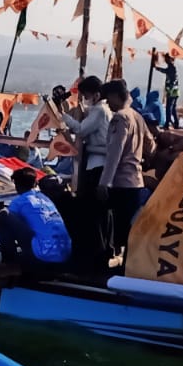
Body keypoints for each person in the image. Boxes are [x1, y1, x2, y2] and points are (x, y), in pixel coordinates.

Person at [0, 168, 72, 276]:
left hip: (44, 254)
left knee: (3, 215)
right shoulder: (45, 198)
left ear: (16, 185)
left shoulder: (19, 202)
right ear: (35, 183)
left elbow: (0, 233)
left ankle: (9, 262)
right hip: (65, 252)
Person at [99, 79, 155, 255]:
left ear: (116, 96)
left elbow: (114, 153)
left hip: (120, 182)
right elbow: (151, 147)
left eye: (108, 99)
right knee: (131, 227)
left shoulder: (120, 118)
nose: (108, 104)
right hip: (136, 182)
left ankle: (113, 261)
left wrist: (104, 183)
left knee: (116, 228)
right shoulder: (137, 116)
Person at [63, 76, 112, 269]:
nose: (84, 98)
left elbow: (82, 130)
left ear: (96, 94)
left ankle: (93, 255)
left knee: (92, 212)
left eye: (86, 95)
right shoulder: (100, 110)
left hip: (97, 164)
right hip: (95, 162)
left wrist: (63, 117)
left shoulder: (100, 110)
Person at [159, 55, 181, 127]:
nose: (165, 61)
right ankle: (176, 123)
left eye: (166, 59)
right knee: (173, 108)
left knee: (169, 108)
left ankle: (168, 123)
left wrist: (157, 68)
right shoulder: (172, 67)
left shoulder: (171, 68)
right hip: (175, 91)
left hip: (172, 91)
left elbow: (166, 71)